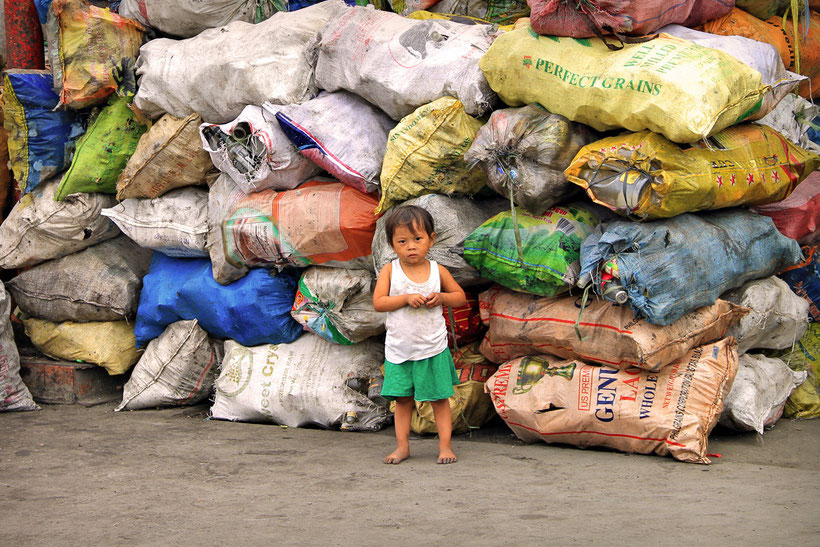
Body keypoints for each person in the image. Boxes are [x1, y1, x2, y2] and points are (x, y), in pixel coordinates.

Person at [373, 205, 467, 465]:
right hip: (400, 351)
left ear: (431, 239)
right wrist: (404, 299)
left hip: (432, 348)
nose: (411, 247)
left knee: (439, 400)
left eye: (418, 239)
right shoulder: (390, 271)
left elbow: (459, 297)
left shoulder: (438, 271)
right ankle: (402, 447)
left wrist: (441, 298)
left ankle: (445, 446)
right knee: (402, 401)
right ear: (392, 245)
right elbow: (379, 302)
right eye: (402, 241)